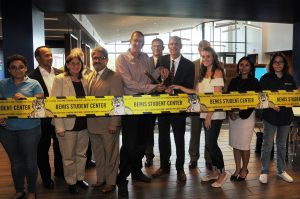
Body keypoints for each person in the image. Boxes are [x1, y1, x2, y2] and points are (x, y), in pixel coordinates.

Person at [115, 31, 166, 198]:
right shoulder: (122, 58)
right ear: (130, 41)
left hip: (147, 104)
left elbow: (150, 77)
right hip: (131, 105)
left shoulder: (145, 58)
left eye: (141, 41)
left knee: (142, 142)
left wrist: (161, 71)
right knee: (129, 144)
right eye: (136, 40)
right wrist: (152, 88)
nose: (138, 43)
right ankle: (122, 179)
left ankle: (136, 172)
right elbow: (128, 84)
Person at [169, 46, 228, 188]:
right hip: (204, 114)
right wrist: (179, 87)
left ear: (213, 57)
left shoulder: (217, 72)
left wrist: (208, 116)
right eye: (203, 56)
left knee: (211, 144)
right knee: (209, 144)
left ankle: (222, 172)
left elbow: (216, 97)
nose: (205, 59)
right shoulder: (203, 73)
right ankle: (214, 172)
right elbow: (196, 92)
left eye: (208, 56)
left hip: (214, 114)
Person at [0, 54, 44, 199]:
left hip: (30, 130)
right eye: (13, 67)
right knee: (15, 162)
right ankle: (19, 190)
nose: (17, 70)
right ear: (8, 70)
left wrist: (26, 100)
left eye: (20, 67)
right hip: (7, 131)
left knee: (30, 162)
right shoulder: (2, 84)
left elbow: (41, 108)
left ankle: (31, 191)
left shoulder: (35, 84)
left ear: (26, 68)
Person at [152, 36, 195, 182]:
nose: (173, 46)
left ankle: (180, 168)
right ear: (168, 46)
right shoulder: (162, 61)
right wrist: (162, 83)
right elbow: (155, 81)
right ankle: (164, 166)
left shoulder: (189, 65)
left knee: (179, 138)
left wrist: (175, 92)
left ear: (181, 45)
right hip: (163, 107)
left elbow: (189, 87)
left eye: (176, 44)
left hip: (179, 108)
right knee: (163, 137)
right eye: (171, 44)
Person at [50, 53, 89, 194]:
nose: (75, 66)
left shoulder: (85, 80)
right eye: (72, 63)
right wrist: (59, 126)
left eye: (78, 64)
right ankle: (71, 182)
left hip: (83, 125)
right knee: (68, 157)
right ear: (67, 65)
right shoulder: (60, 79)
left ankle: (80, 178)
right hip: (66, 126)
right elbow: (55, 104)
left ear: (82, 65)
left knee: (81, 155)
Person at [87, 47, 123, 193]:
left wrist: (114, 122)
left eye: (100, 58)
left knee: (111, 155)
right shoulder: (90, 76)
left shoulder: (115, 77)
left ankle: (111, 182)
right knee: (99, 155)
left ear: (106, 60)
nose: (97, 61)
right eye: (95, 58)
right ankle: (100, 179)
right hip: (92, 124)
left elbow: (118, 101)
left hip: (109, 125)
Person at [29, 46, 64, 189]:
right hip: (42, 120)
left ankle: (60, 173)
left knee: (60, 146)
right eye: (46, 55)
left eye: (51, 55)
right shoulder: (31, 77)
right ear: (38, 58)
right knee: (42, 150)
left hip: (60, 118)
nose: (50, 57)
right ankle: (46, 178)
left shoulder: (61, 74)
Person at [258, 53, 297, 184]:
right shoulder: (265, 78)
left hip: (285, 117)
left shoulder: (290, 78)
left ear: (285, 64)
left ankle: (281, 170)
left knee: (282, 145)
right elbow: (260, 97)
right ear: (272, 64)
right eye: (275, 62)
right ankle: (264, 171)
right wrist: (271, 105)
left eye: (281, 62)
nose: (278, 64)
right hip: (270, 116)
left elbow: (293, 96)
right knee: (267, 144)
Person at [227, 56, 260, 181]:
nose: (244, 67)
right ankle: (237, 168)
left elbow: (255, 102)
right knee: (236, 144)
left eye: (247, 65)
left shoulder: (255, 82)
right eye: (241, 64)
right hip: (233, 117)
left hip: (247, 117)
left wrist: (240, 113)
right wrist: (230, 111)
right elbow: (228, 99)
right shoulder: (234, 81)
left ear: (251, 67)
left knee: (244, 145)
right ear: (238, 67)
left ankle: (245, 169)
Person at [189, 39, 212, 169]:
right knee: (195, 133)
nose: (204, 49)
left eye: (207, 47)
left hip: (210, 107)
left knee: (209, 134)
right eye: (202, 47)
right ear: (198, 50)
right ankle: (193, 158)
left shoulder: (218, 65)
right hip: (196, 106)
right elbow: (191, 85)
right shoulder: (193, 65)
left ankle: (209, 158)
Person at [144, 38, 165, 167]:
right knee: (148, 129)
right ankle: (149, 155)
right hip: (150, 98)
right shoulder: (147, 61)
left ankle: (164, 158)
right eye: (154, 46)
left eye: (159, 46)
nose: (156, 48)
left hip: (164, 99)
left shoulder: (168, 61)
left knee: (163, 131)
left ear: (163, 48)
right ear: (151, 48)